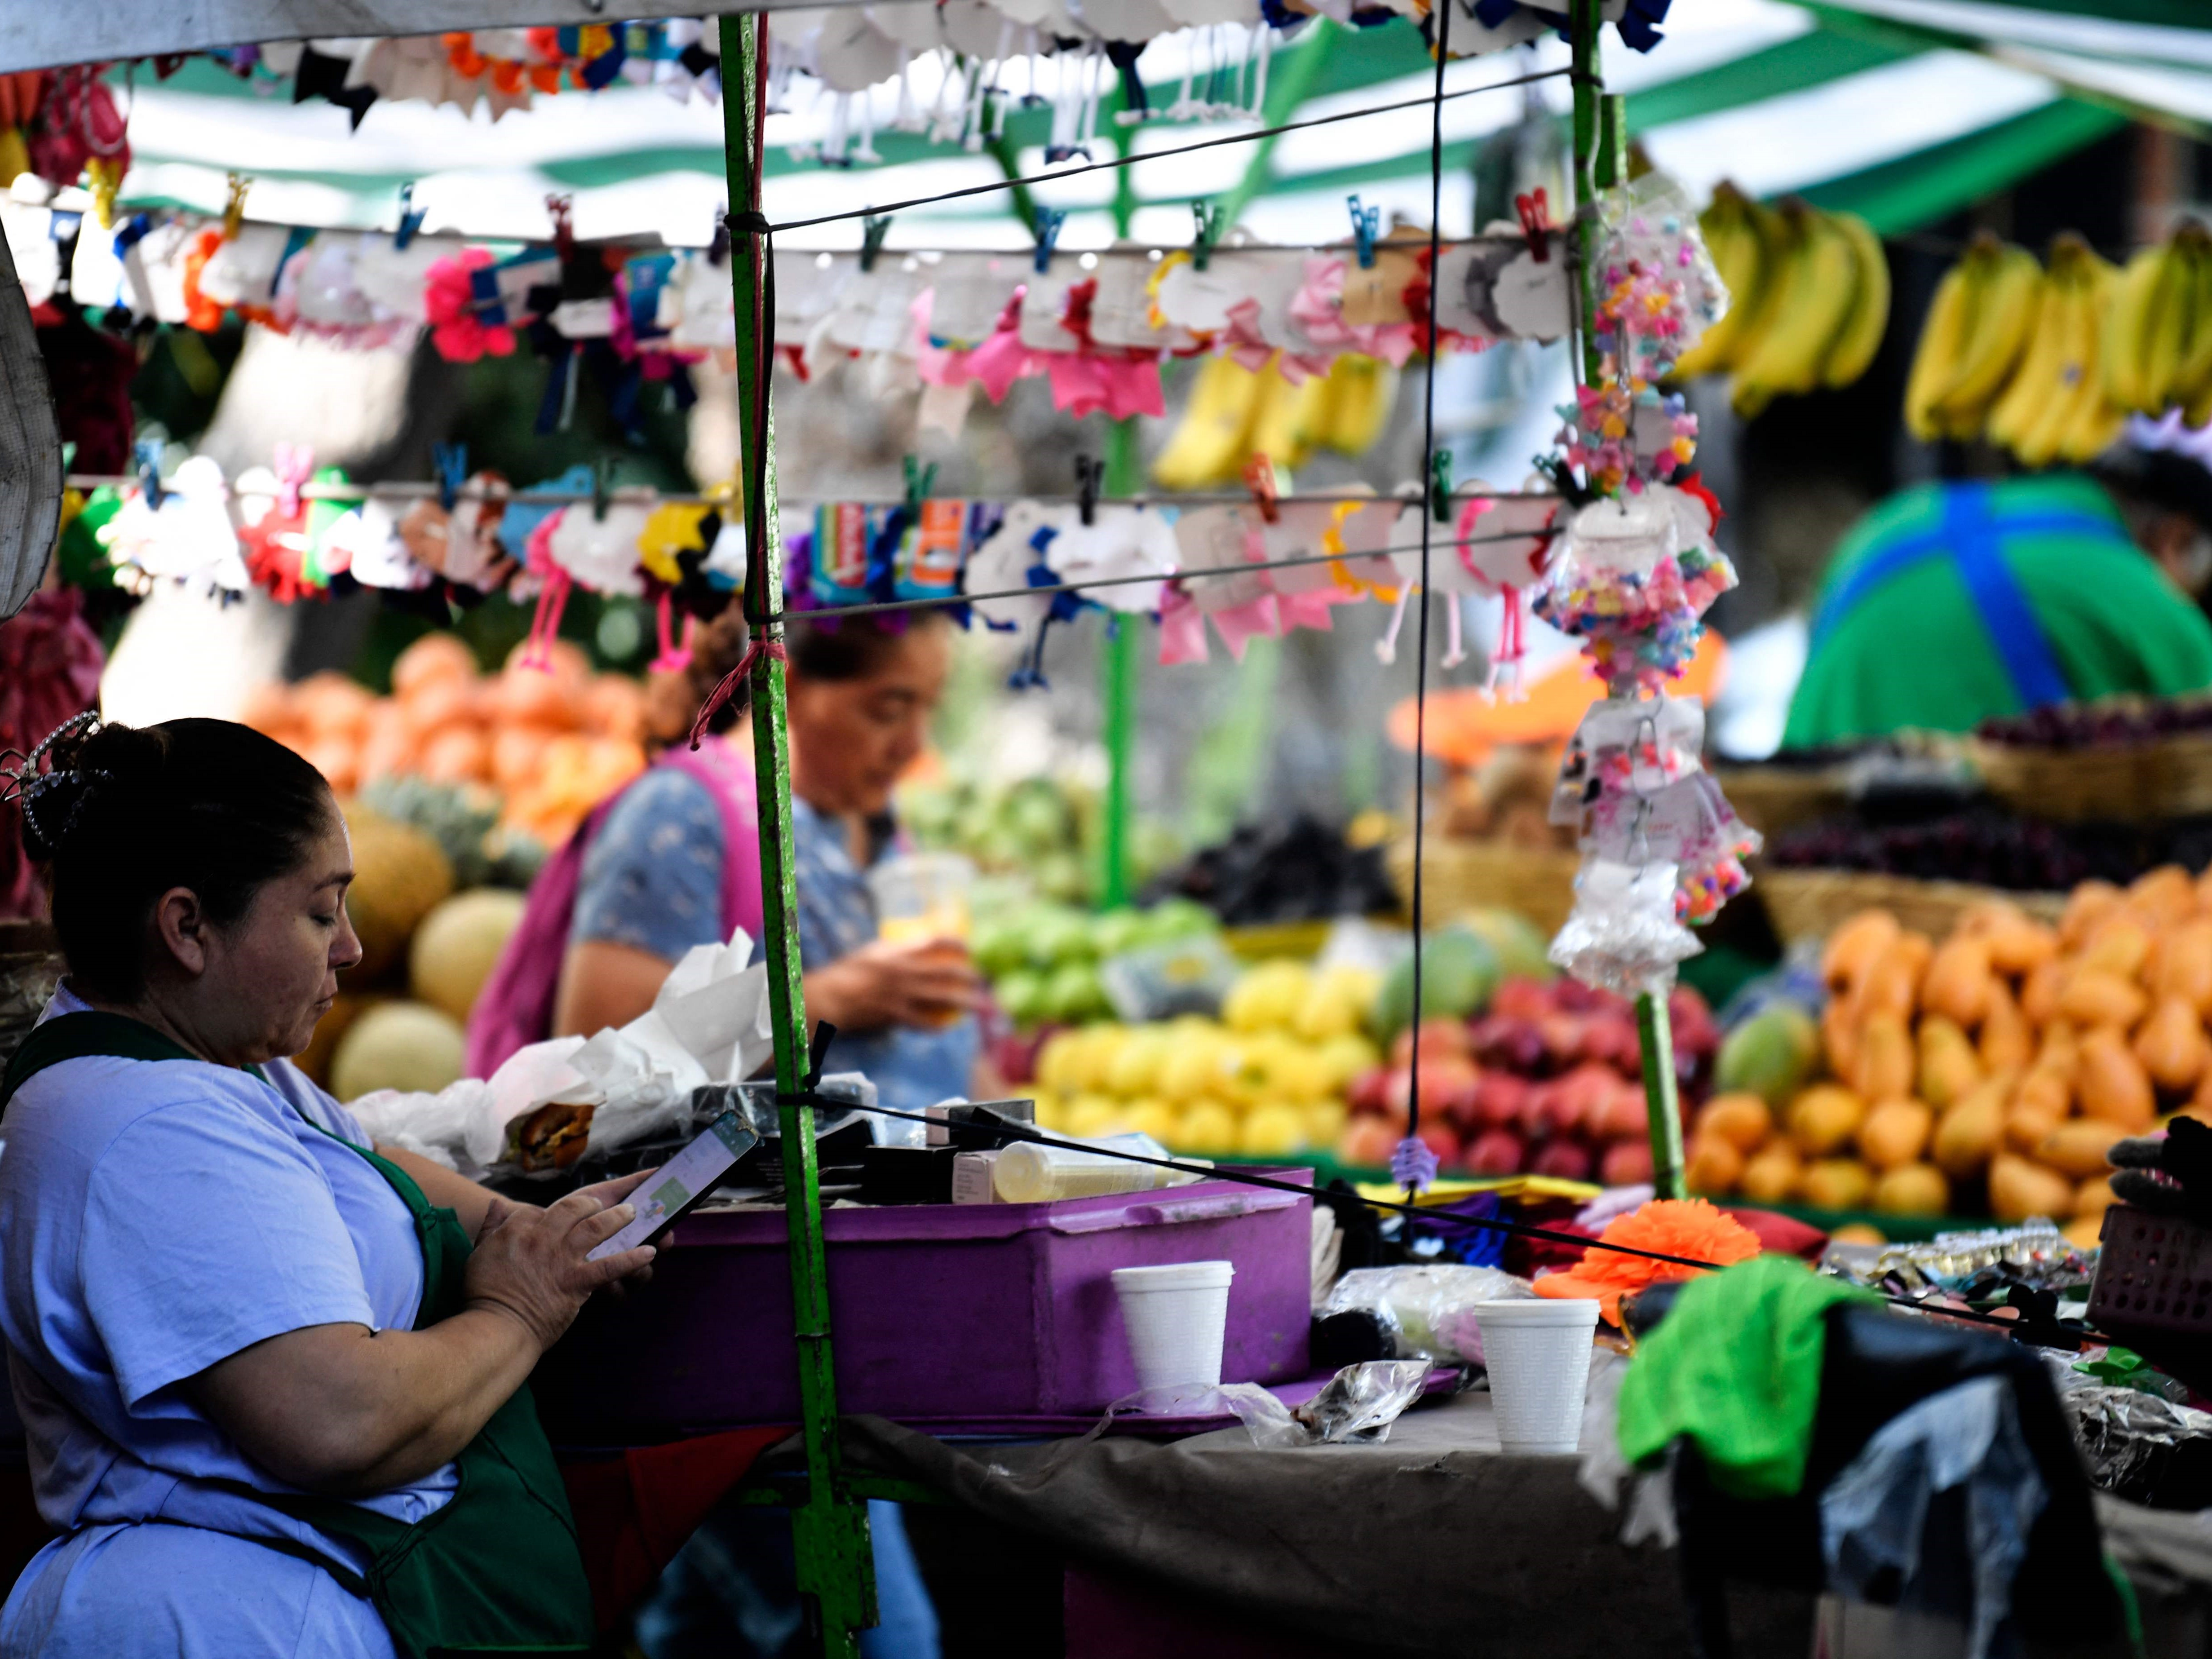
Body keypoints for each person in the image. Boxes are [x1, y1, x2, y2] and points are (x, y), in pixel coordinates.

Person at [0, 716, 656, 1658]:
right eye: (320, 910)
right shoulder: (151, 1128)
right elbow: (339, 1420)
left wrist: (528, 1224)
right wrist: (519, 1307)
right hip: (239, 1622)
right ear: (187, 926)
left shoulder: (228, 1065)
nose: (349, 947)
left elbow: (370, 1155)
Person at [539, 605, 982, 1115]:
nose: (913, 746)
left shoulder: (879, 825)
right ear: (785, 687)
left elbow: (953, 1058)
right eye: (887, 711)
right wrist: (834, 1000)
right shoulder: (679, 815)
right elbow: (603, 1055)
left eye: (930, 709)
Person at [1782, 451, 2212, 749]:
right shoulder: (2131, 582)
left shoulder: (1890, 521)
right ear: (2178, 541)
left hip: (1799, 820)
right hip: (1971, 855)